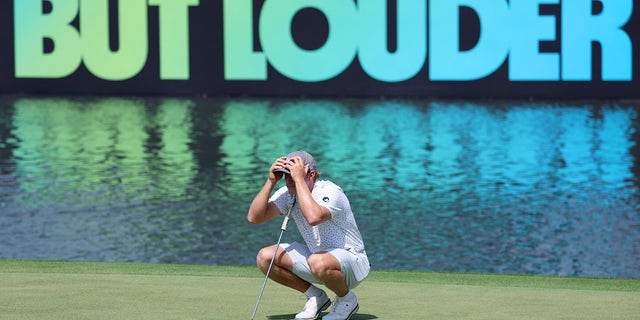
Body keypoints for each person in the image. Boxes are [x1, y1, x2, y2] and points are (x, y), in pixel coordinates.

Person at [248, 150, 370, 320]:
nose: (288, 180)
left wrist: (298, 180)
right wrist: (270, 182)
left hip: (352, 261)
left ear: (311, 174)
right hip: (317, 259)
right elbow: (255, 217)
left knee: (317, 260)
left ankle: (346, 300)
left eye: (293, 174)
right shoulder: (288, 193)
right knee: (265, 257)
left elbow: (314, 217)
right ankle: (316, 297)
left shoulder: (331, 191)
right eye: (285, 175)